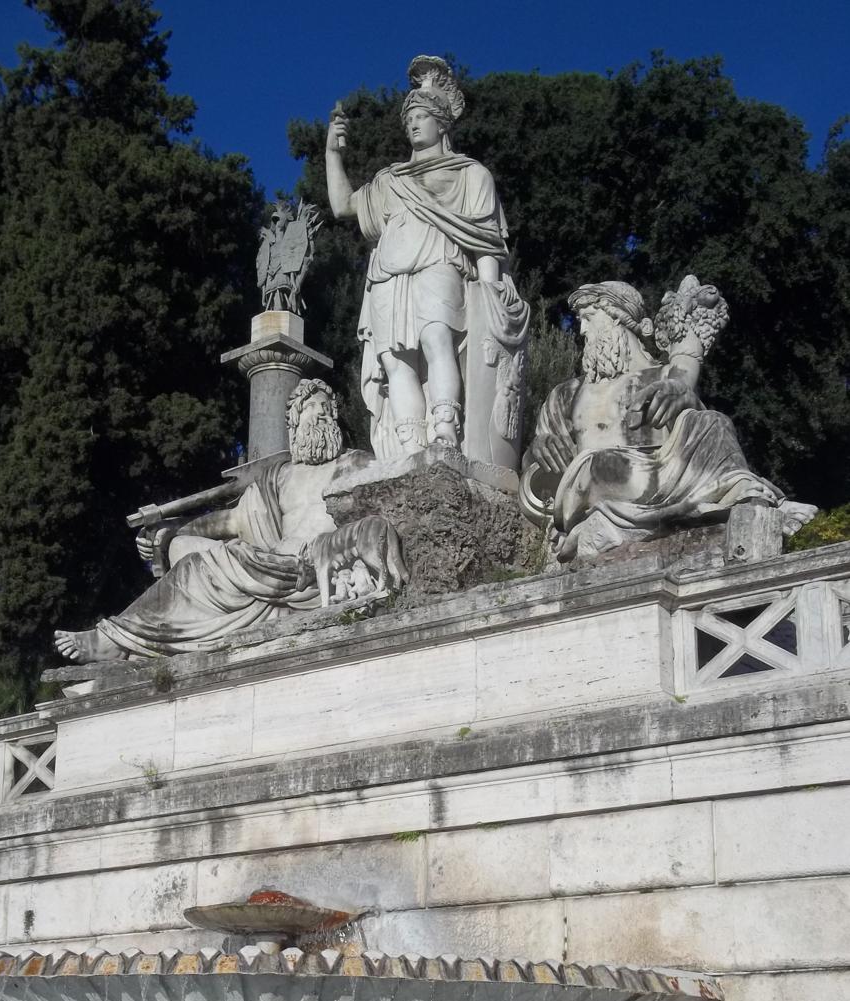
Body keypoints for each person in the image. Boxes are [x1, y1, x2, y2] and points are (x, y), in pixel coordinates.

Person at [54, 380, 406, 663]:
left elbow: (388, 497)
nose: (323, 411)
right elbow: (229, 521)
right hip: (269, 564)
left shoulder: (355, 463)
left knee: (196, 568)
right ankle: (147, 639)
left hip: (310, 568)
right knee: (182, 547)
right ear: (294, 423)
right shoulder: (280, 477)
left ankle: (116, 639)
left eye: (328, 405)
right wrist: (169, 531)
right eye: (312, 405)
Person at [519, 280, 814, 561]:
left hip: (666, 473)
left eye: (588, 318)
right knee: (598, 464)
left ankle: (742, 491)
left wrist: (685, 396)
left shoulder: (663, 377)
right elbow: (534, 469)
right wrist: (538, 448)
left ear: (618, 319)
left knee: (713, 421)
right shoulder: (566, 394)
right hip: (601, 480)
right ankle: (713, 499)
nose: (582, 330)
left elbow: (690, 431)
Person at [326, 55, 528, 464]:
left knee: (438, 342)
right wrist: (332, 153)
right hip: (388, 275)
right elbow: (342, 205)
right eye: (409, 120)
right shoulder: (390, 180)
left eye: (421, 117)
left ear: (442, 124)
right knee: (396, 361)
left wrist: (490, 296)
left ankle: (445, 433)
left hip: (440, 262)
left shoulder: (471, 174)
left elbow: (485, 240)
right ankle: (409, 450)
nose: (413, 125)